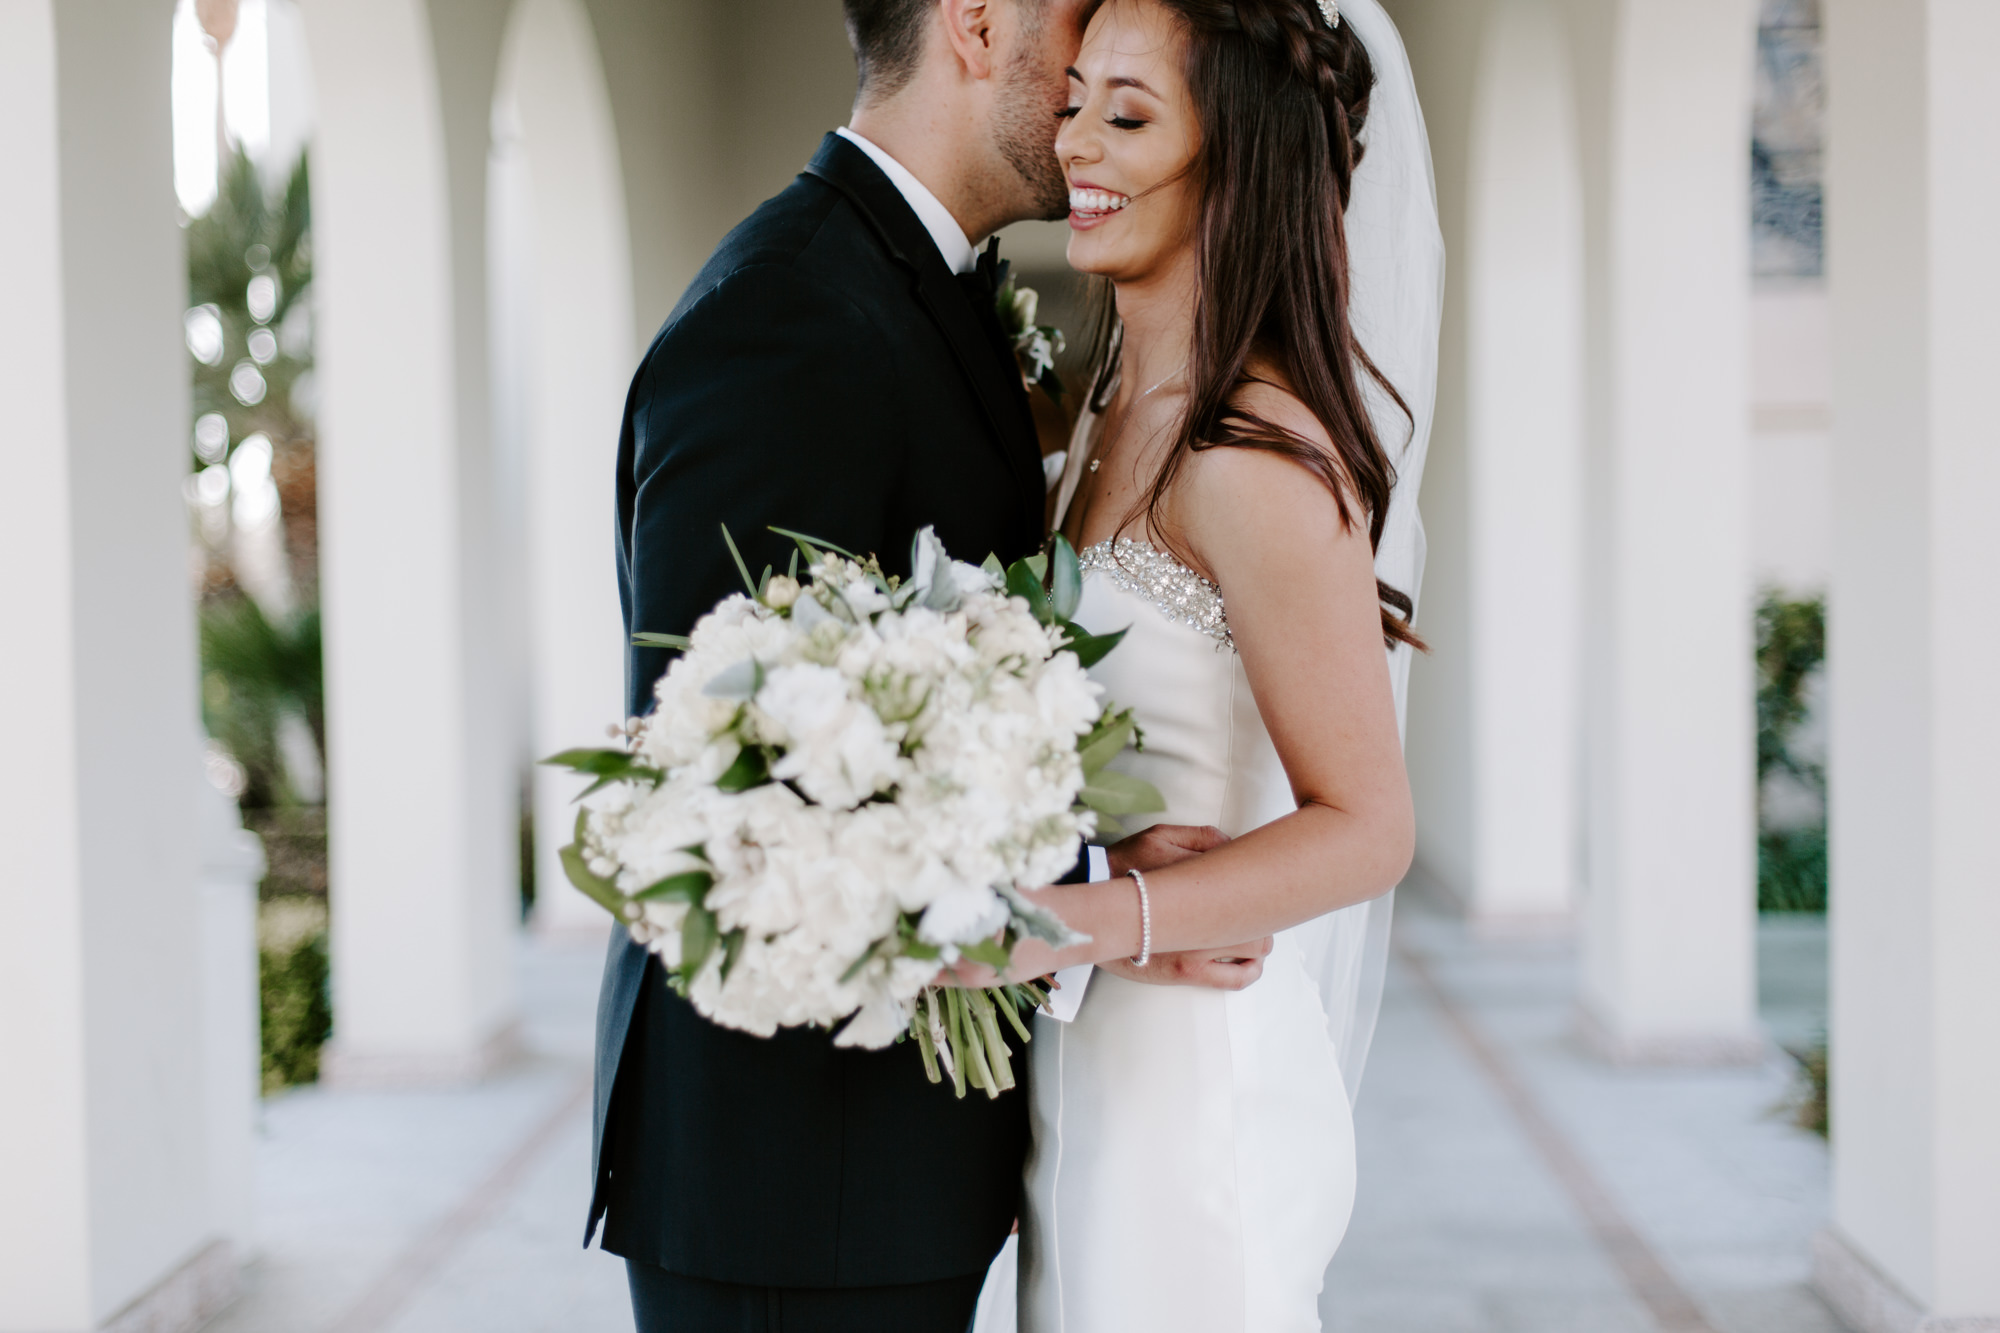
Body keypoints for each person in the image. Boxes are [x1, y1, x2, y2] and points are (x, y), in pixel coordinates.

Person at [588, 3, 1272, 1329]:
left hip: (881, 1163)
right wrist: (1095, 897)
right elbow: (726, 780)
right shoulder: (788, 314)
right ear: (977, 23)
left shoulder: (919, 283)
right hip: (791, 1177)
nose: (1090, 73)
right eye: (1072, 24)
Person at [956, 0, 1445, 1328]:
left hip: (1197, 1088)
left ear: (1237, 157)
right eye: (1075, 106)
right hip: (1095, 1058)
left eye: (1129, 117)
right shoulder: (1115, 399)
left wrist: (1086, 917)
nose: (1077, 152)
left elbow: (1368, 825)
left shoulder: (1254, 454)